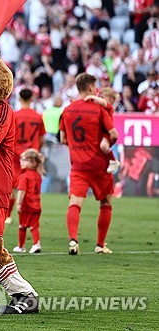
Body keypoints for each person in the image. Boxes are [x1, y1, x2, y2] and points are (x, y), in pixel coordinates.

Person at [59, 73, 118, 255]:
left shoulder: (67, 111)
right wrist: (106, 142)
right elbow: (114, 134)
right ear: (91, 88)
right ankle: (100, 245)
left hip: (78, 165)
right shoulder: (98, 108)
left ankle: (73, 241)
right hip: (100, 164)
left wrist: (78, 148)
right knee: (106, 203)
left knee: (75, 204)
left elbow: (63, 139)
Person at [6, 88, 45, 226]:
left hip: (16, 155)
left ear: (19, 99)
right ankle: (28, 218)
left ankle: (8, 216)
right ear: (32, 99)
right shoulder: (38, 116)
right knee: (30, 186)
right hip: (31, 157)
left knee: (11, 186)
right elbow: (41, 139)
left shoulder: (14, 116)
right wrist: (35, 151)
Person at [13, 149, 44, 254]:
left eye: (25, 160)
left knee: (22, 226)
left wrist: (18, 204)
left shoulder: (24, 176)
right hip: (37, 205)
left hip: (27, 206)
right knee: (34, 226)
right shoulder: (38, 175)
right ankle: (36, 243)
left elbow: (22, 191)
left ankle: (21, 246)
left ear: (33, 163)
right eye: (21, 159)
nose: (21, 161)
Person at [84, 87, 120, 174]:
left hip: (107, 132)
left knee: (103, 146)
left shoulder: (108, 107)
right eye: (99, 96)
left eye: (102, 97)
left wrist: (92, 97)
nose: (99, 99)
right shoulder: (97, 108)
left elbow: (103, 102)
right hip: (99, 132)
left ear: (111, 100)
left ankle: (113, 160)